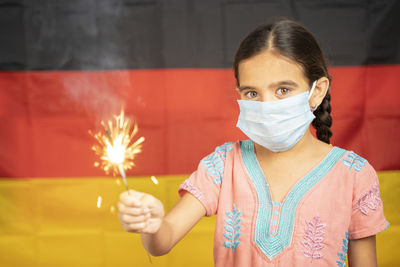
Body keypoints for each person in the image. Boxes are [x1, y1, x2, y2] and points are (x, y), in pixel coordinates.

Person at [117, 18, 389, 266]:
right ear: (239, 95)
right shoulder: (223, 166)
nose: (267, 105)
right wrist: (151, 225)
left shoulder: (354, 175)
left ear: (316, 91)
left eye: (283, 89)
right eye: (252, 93)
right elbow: (162, 242)